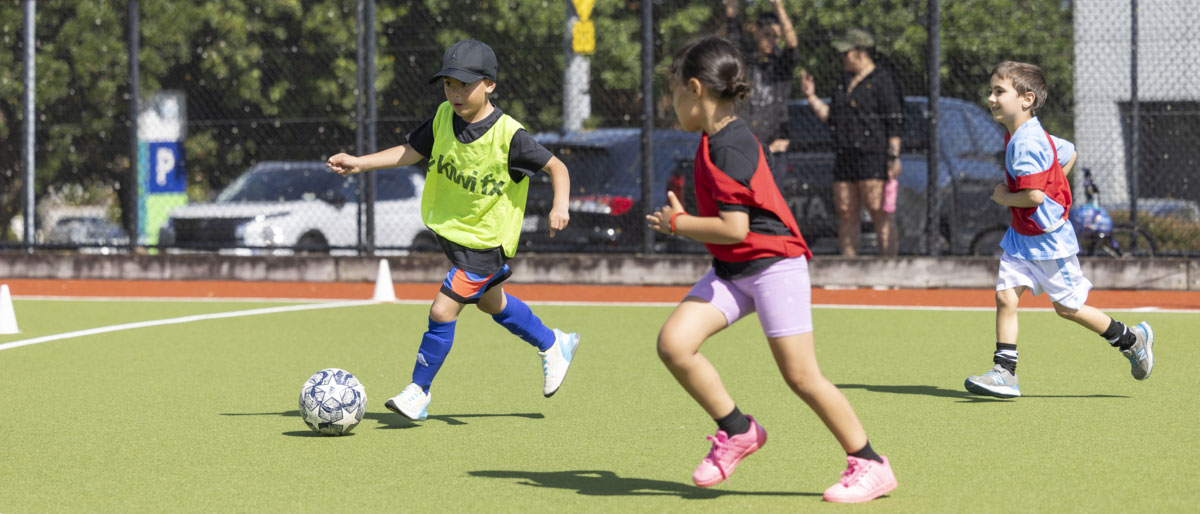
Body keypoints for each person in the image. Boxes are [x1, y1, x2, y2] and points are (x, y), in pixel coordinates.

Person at [645, 36, 897, 503]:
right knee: (675, 344)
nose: (671, 102)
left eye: (674, 91)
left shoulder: (730, 147)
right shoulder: (712, 139)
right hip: (733, 269)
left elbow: (735, 228)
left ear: (696, 88)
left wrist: (678, 224)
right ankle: (738, 431)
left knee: (802, 377)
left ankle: (871, 464)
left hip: (774, 266)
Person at [326, 39, 582, 420]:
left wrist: (560, 205)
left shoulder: (510, 136)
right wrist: (360, 163)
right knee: (492, 302)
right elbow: (412, 150)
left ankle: (418, 392)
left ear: (489, 85)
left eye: (465, 84)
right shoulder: (444, 116)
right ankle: (552, 342)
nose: (456, 93)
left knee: (443, 310)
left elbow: (557, 167)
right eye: (449, 84)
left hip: (487, 242)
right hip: (459, 235)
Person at [964, 61, 1155, 398]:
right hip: (1022, 239)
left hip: (1048, 243)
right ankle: (1004, 373)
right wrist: (1056, 186)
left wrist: (1003, 196)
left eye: (999, 91)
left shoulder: (1024, 143)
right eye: (991, 90)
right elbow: (1067, 152)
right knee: (1006, 296)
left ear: (1027, 98)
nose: (990, 98)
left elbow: (1033, 196)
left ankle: (1131, 339)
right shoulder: (1024, 133)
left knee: (1068, 308)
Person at [799, 28, 903, 257]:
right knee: (846, 211)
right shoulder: (843, 82)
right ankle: (849, 267)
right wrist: (811, 97)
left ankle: (889, 267)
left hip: (873, 154)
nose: (842, 57)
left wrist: (893, 157)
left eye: (846, 52)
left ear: (861, 52)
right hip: (845, 155)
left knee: (878, 211)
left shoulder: (882, 80)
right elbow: (830, 116)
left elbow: (894, 123)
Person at [723, 0, 800, 185]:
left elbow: (792, 45)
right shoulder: (744, 60)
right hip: (744, 145)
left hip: (774, 147)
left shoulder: (781, 65)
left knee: (769, 204)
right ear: (756, 32)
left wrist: (779, 6)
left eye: (775, 37)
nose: (771, 41)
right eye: (767, 35)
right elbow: (733, 34)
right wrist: (731, 10)